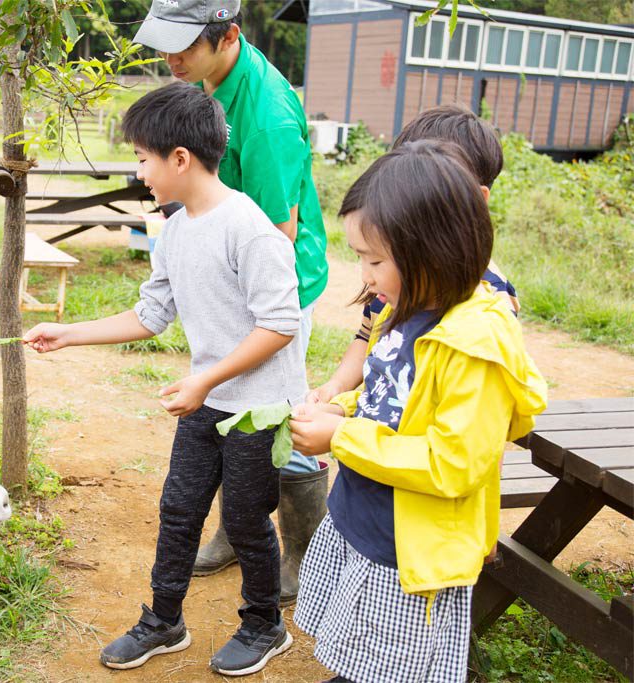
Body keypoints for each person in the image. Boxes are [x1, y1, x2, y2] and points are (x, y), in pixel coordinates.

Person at [23, 82, 307, 677]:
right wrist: (69, 332)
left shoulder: (250, 229)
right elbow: (151, 315)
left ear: (180, 158)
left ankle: (264, 624)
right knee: (179, 508)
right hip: (208, 396)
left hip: (258, 406)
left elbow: (280, 325)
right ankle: (164, 621)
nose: (139, 172)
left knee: (244, 519)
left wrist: (206, 380)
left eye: (142, 158)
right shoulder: (176, 228)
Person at [289, 140, 547, 683]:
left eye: (374, 260)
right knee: (361, 658)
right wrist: (340, 406)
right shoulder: (406, 311)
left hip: (408, 553)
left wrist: (341, 438)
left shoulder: (475, 347)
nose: (365, 275)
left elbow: (452, 464)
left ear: (433, 249)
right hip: (365, 519)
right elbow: (389, 392)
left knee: (391, 668)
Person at [133, 0, 329, 598]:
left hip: (274, 276)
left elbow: (279, 232)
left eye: (184, 46)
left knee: (276, 411)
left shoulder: (267, 114)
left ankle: (301, 552)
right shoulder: (207, 82)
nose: (171, 59)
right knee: (226, 413)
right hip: (227, 261)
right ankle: (237, 529)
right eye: (165, 44)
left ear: (228, 37)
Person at [309, 104, 520, 407]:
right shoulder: (396, 271)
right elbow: (367, 337)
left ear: (477, 198)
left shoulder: (488, 309)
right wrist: (337, 389)